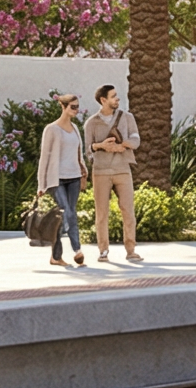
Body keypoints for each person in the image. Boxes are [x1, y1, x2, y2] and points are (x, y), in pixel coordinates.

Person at [84, 84, 140, 263]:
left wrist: (122, 145)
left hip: (123, 169)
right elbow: (87, 149)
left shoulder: (127, 117)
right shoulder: (91, 122)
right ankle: (103, 251)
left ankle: (131, 250)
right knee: (102, 213)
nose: (117, 98)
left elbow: (136, 139)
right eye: (113, 96)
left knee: (128, 210)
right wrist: (101, 146)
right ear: (103, 100)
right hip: (100, 172)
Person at [39, 92, 86, 267]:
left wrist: (83, 173)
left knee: (66, 214)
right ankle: (77, 250)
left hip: (74, 177)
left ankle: (56, 257)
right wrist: (41, 184)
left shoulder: (75, 129)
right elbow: (45, 157)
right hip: (56, 179)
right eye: (72, 107)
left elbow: (78, 154)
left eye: (77, 107)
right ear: (63, 107)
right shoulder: (51, 129)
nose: (76, 110)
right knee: (67, 212)